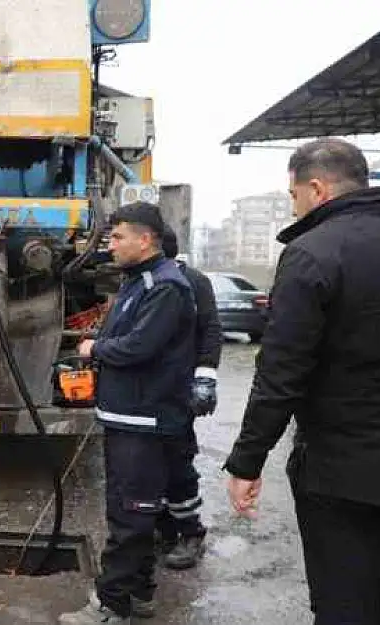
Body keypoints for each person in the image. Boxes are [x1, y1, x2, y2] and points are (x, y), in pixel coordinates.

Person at [224, 138, 380, 625]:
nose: (293, 206)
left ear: (316, 188)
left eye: (293, 195)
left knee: (345, 605)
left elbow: (281, 372)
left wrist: (247, 461)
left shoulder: (311, 252)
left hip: (342, 473)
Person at [60, 202, 196, 625]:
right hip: (129, 417)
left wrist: (94, 348)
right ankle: (139, 593)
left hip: (145, 419)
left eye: (118, 237)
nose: (111, 245)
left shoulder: (165, 286)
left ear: (146, 240)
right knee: (136, 509)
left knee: (130, 514)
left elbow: (140, 346)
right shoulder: (139, 281)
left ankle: (112, 605)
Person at [155, 224, 222, 570]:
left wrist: (205, 377)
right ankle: (163, 527)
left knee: (176, 462)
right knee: (148, 464)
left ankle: (189, 532)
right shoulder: (141, 281)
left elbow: (211, 329)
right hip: (147, 394)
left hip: (178, 392)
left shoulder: (193, 282)